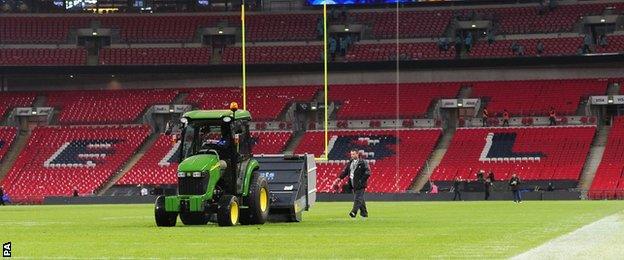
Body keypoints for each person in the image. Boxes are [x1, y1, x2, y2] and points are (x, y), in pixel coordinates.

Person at [333, 149, 371, 218]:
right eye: (351, 154)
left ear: (357, 154)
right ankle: (364, 214)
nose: (352, 156)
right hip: (353, 183)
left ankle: (353, 212)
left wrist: (361, 181)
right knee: (360, 199)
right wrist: (339, 178)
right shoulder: (350, 162)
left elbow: (368, 173)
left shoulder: (363, 162)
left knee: (357, 198)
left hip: (360, 184)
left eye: (353, 154)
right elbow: (346, 171)